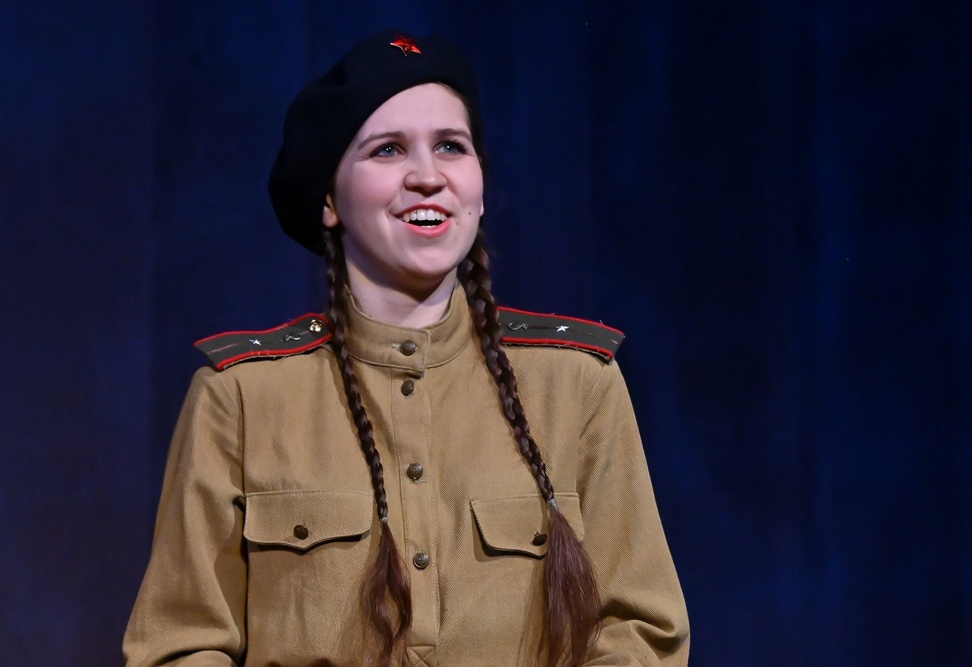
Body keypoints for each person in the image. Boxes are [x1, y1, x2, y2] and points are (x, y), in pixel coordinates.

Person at [124, 30, 689, 667]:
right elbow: (180, 644)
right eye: (388, 149)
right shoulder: (241, 397)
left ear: (479, 187)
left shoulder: (576, 384)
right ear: (329, 200)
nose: (427, 176)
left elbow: (642, 628)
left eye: (451, 146)